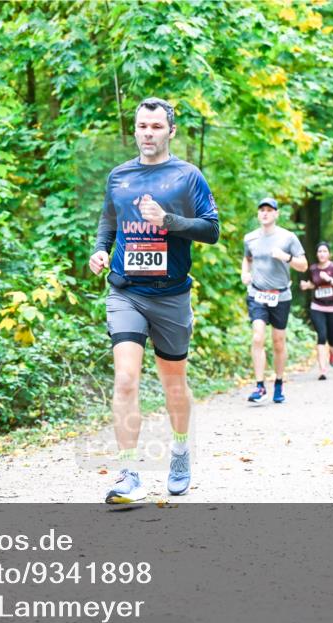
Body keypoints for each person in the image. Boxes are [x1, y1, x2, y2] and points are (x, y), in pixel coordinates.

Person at [89, 97, 219, 503]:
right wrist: (100, 250)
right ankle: (130, 473)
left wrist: (169, 222)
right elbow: (109, 219)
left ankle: (180, 452)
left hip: (171, 295)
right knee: (126, 379)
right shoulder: (119, 176)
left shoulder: (187, 176)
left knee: (173, 384)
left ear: (171, 131)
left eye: (156, 127)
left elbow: (211, 230)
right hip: (126, 291)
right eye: (142, 126)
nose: (148, 133)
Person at [241, 197, 308, 403]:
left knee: (278, 342)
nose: (265, 213)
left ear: (276, 214)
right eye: (262, 210)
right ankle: (260, 386)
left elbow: (303, 265)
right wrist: (244, 273)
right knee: (257, 337)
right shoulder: (250, 238)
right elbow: (247, 258)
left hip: (280, 295)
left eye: (270, 210)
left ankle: (278, 383)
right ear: (258, 214)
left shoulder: (288, 238)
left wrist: (286, 257)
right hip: (257, 294)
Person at [299, 242, 333, 380]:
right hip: (317, 307)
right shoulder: (313, 268)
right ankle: (322, 369)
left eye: (324, 251)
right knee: (321, 335)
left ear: (329, 254)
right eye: (319, 251)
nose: (322, 254)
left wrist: (330, 279)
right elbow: (314, 283)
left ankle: (332, 352)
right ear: (316, 254)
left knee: (332, 338)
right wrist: (307, 285)